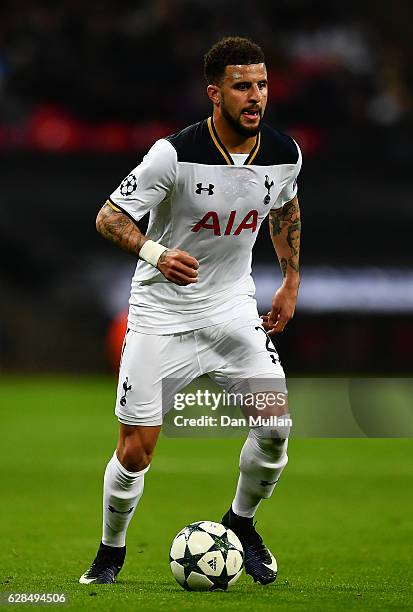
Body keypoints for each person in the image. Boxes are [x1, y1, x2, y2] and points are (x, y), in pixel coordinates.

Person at [80, 36, 302, 586]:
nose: (256, 97)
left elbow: (286, 205)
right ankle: (110, 555)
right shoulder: (172, 155)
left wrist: (291, 278)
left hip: (233, 307)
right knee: (135, 451)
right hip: (161, 312)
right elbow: (109, 216)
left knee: (276, 427)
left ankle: (241, 523)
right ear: (215, 93)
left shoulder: (283, 152)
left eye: (263, 85)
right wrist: (156, 252)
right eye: (242, 86)